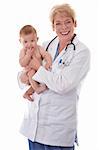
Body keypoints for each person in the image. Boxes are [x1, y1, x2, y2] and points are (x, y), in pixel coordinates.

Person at [19, 3, 90, 150]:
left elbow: (63, 85)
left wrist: (37, 68)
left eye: (67, 22)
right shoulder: (45, 45)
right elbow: (21, 77)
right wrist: (26, 77)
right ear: (53, 27)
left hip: (58, 131)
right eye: (58, 23)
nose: (63, 27)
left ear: (75, 23)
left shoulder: (82, 52)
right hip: (34, 126)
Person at [19, 25, 52, 101]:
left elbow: (46, 54)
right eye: (25, 42)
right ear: (20, 41)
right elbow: (22, 63)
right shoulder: (23, 51)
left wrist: (48, 62)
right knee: (31, 73)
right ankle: (37, 89)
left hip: (39, 72)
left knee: (36, 80)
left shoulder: (39, 48)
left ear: (37, 39)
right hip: (29, 72)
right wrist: (28, 55)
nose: (29, 44)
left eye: (32, 41)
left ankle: (27, 93)